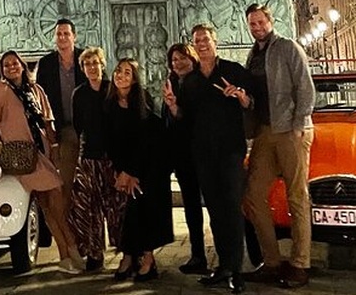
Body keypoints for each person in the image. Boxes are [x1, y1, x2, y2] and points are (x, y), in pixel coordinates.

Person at [0, 50, 85, 274]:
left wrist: (54, 147)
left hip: (41, 154)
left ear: (22, 65)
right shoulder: (0, 90)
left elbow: (48, 122)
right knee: (56, 200)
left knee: (49, 209)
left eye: (14, 63)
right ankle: (72, 251)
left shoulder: (35, 89)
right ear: (2, 71)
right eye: (6, 65)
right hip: (23, 157)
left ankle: (66, 256)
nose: (11, 68)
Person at [164, 24, 253, 294]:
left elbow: (251, 102)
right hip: (202, 153)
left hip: (229, 150)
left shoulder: (233, 70)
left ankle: (236, 270)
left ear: (215, 41)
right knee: (214, 209)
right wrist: (173, 105)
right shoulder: (191, 81)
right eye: (197, 40)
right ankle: (223, 266)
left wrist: (239, 95)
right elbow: (185, 118)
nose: (202, 44)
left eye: (205, 39)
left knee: (231, 208)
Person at [242, 3, 315, 289]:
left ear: (270, 21)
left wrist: (299, 124)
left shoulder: (288, 47)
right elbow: (257, 95)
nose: (257, 27)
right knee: (252, 194)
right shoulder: (254, 55)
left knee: (298, 197)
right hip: (264, 130)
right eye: (252, 24)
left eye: (260, 22)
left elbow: (305, 87)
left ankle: (300, 263)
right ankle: (271, 261)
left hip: (290, 130)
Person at [107, 58, 173, 283]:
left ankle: (147, 258)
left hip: (150, 165)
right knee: (129, 212)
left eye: (127, 73)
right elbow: (112, 142)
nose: (121, 76)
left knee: (143, 206)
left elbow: (146, 141)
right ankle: (128, 255)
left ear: (134, 79)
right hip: (127, 167)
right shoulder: (110, 104)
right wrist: (121, 171)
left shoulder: (142, 102)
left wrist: (132, 172)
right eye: (118, 71)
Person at [68, 47, 126, 272]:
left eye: (95, 63)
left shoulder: (112, 90)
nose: (92, 67)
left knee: (115, 207)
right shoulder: (79, 94)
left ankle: (124, 252)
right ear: (83, 69)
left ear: (103, 65)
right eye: (87, 64)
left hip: (111, 157)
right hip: (89, 156)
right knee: (87, 207)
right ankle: (94, 252)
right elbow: (77, 125)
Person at [164, 43, 209, 275]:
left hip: (202, 153)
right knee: (192, 206)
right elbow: (169, 121)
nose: (178, 63)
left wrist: (175, 109)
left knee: (212, 204)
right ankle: (198, 255)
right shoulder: (171, 84)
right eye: (174, 60)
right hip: (183, 156)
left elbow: (193, 118)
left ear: (192, 58)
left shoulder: (201, 82)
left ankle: (227, 254)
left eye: (182, 58)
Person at [36, 18, 87, 212]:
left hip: (85, 129)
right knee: (64, 179)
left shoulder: (85, 59)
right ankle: (67, 219)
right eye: (59, 34)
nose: (63, 37)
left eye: (66, 33)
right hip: (61, 129)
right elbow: (40, 97)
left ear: (74, 36)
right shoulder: (46, 64)